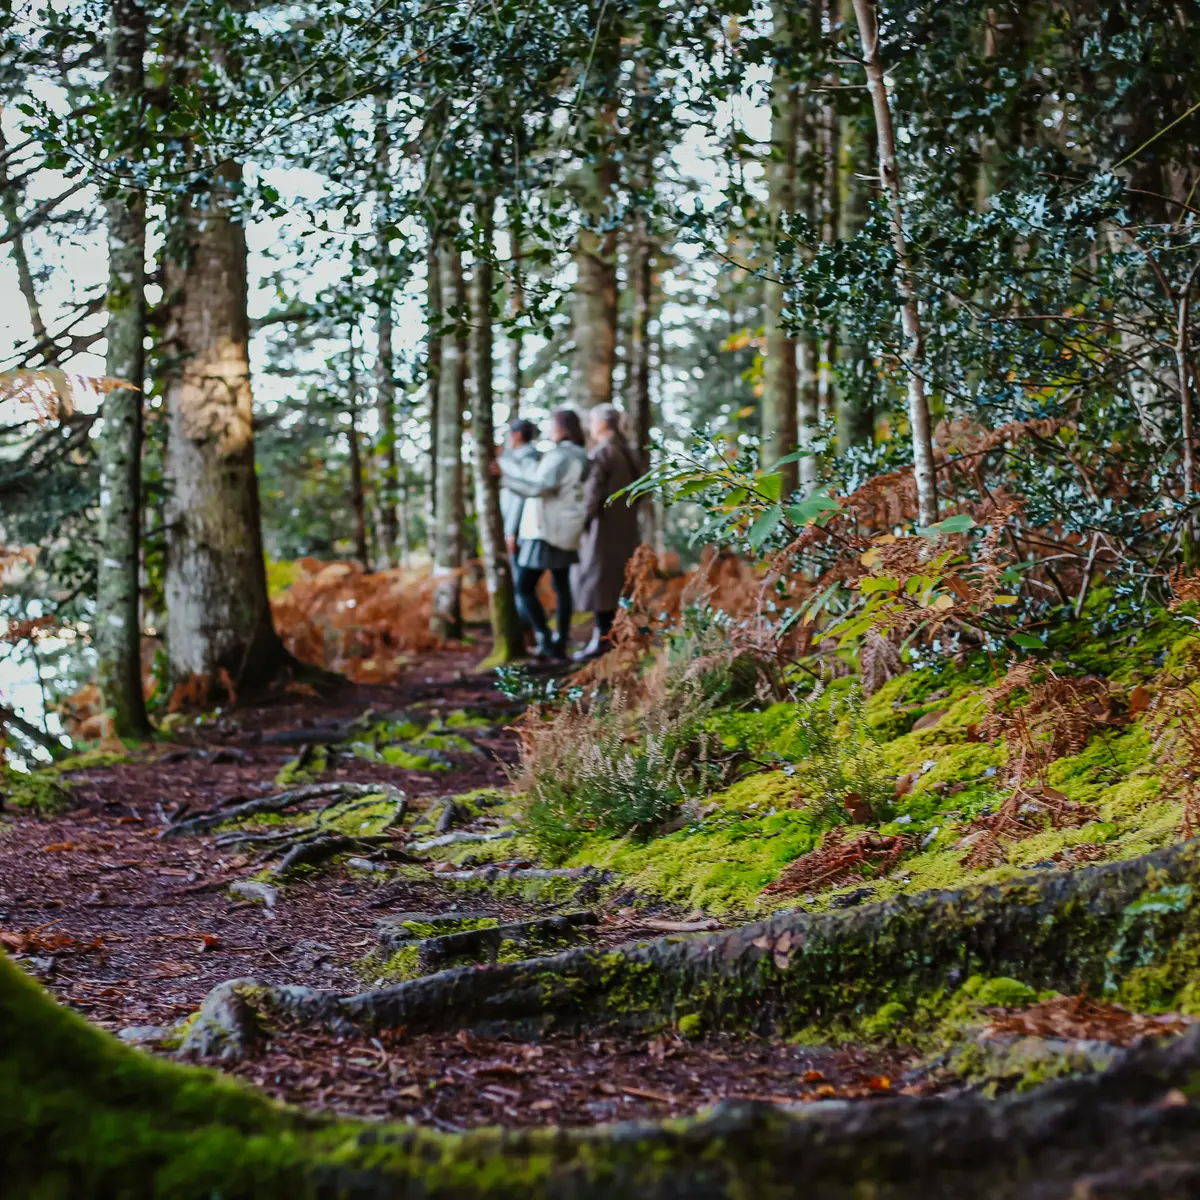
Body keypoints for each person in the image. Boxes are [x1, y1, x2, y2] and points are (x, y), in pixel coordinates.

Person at [491, 408, 590, 660]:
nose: (549, 430)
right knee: (561, 584)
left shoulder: (560, 455)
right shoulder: (580, 455)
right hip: (566, 527)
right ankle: (559, 640)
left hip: (545, 529)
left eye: (552, 425)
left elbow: (538, 487)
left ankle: (547, 639)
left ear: (562, 427)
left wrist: (503, 477)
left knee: (524, 586)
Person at [574, 403, 642, 661]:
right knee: (616, 583)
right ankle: (615, 637)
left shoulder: (604, 451)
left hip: (602, 528)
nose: (591, 427)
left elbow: (592, 493)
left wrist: (581, 522)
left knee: (599, 582)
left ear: (602, 424)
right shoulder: (626, 450)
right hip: (624, 526)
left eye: (592, 421)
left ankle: (602, 640)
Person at [499, 418, 541, 559]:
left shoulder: (528, 458)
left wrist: (510, 531)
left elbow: (522, 495)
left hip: (521, 528)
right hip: (515, 526)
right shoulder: (514, 456)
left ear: (517, 435)